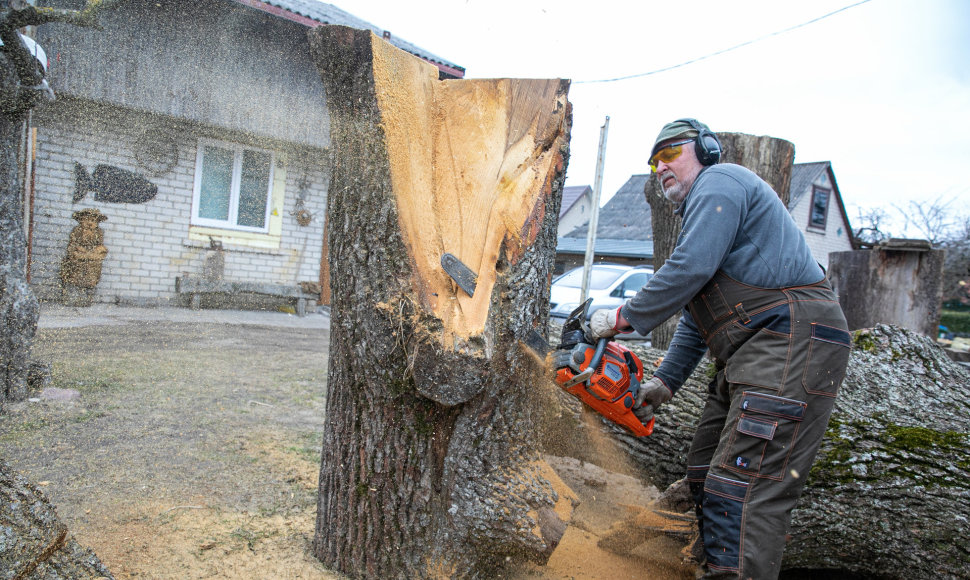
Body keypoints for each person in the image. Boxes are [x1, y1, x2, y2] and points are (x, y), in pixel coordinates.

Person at [588, 118, 851, 579]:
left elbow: (689, 269)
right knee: (704, 472)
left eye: (670, 153)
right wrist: (664, 383)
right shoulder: (703, 212)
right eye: (654, 161)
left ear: (706, 149)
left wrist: (620, 318)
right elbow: (697, 311)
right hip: (754, 347)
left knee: (744, 488)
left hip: (790, 337)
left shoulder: (721, 181)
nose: (660, 167)